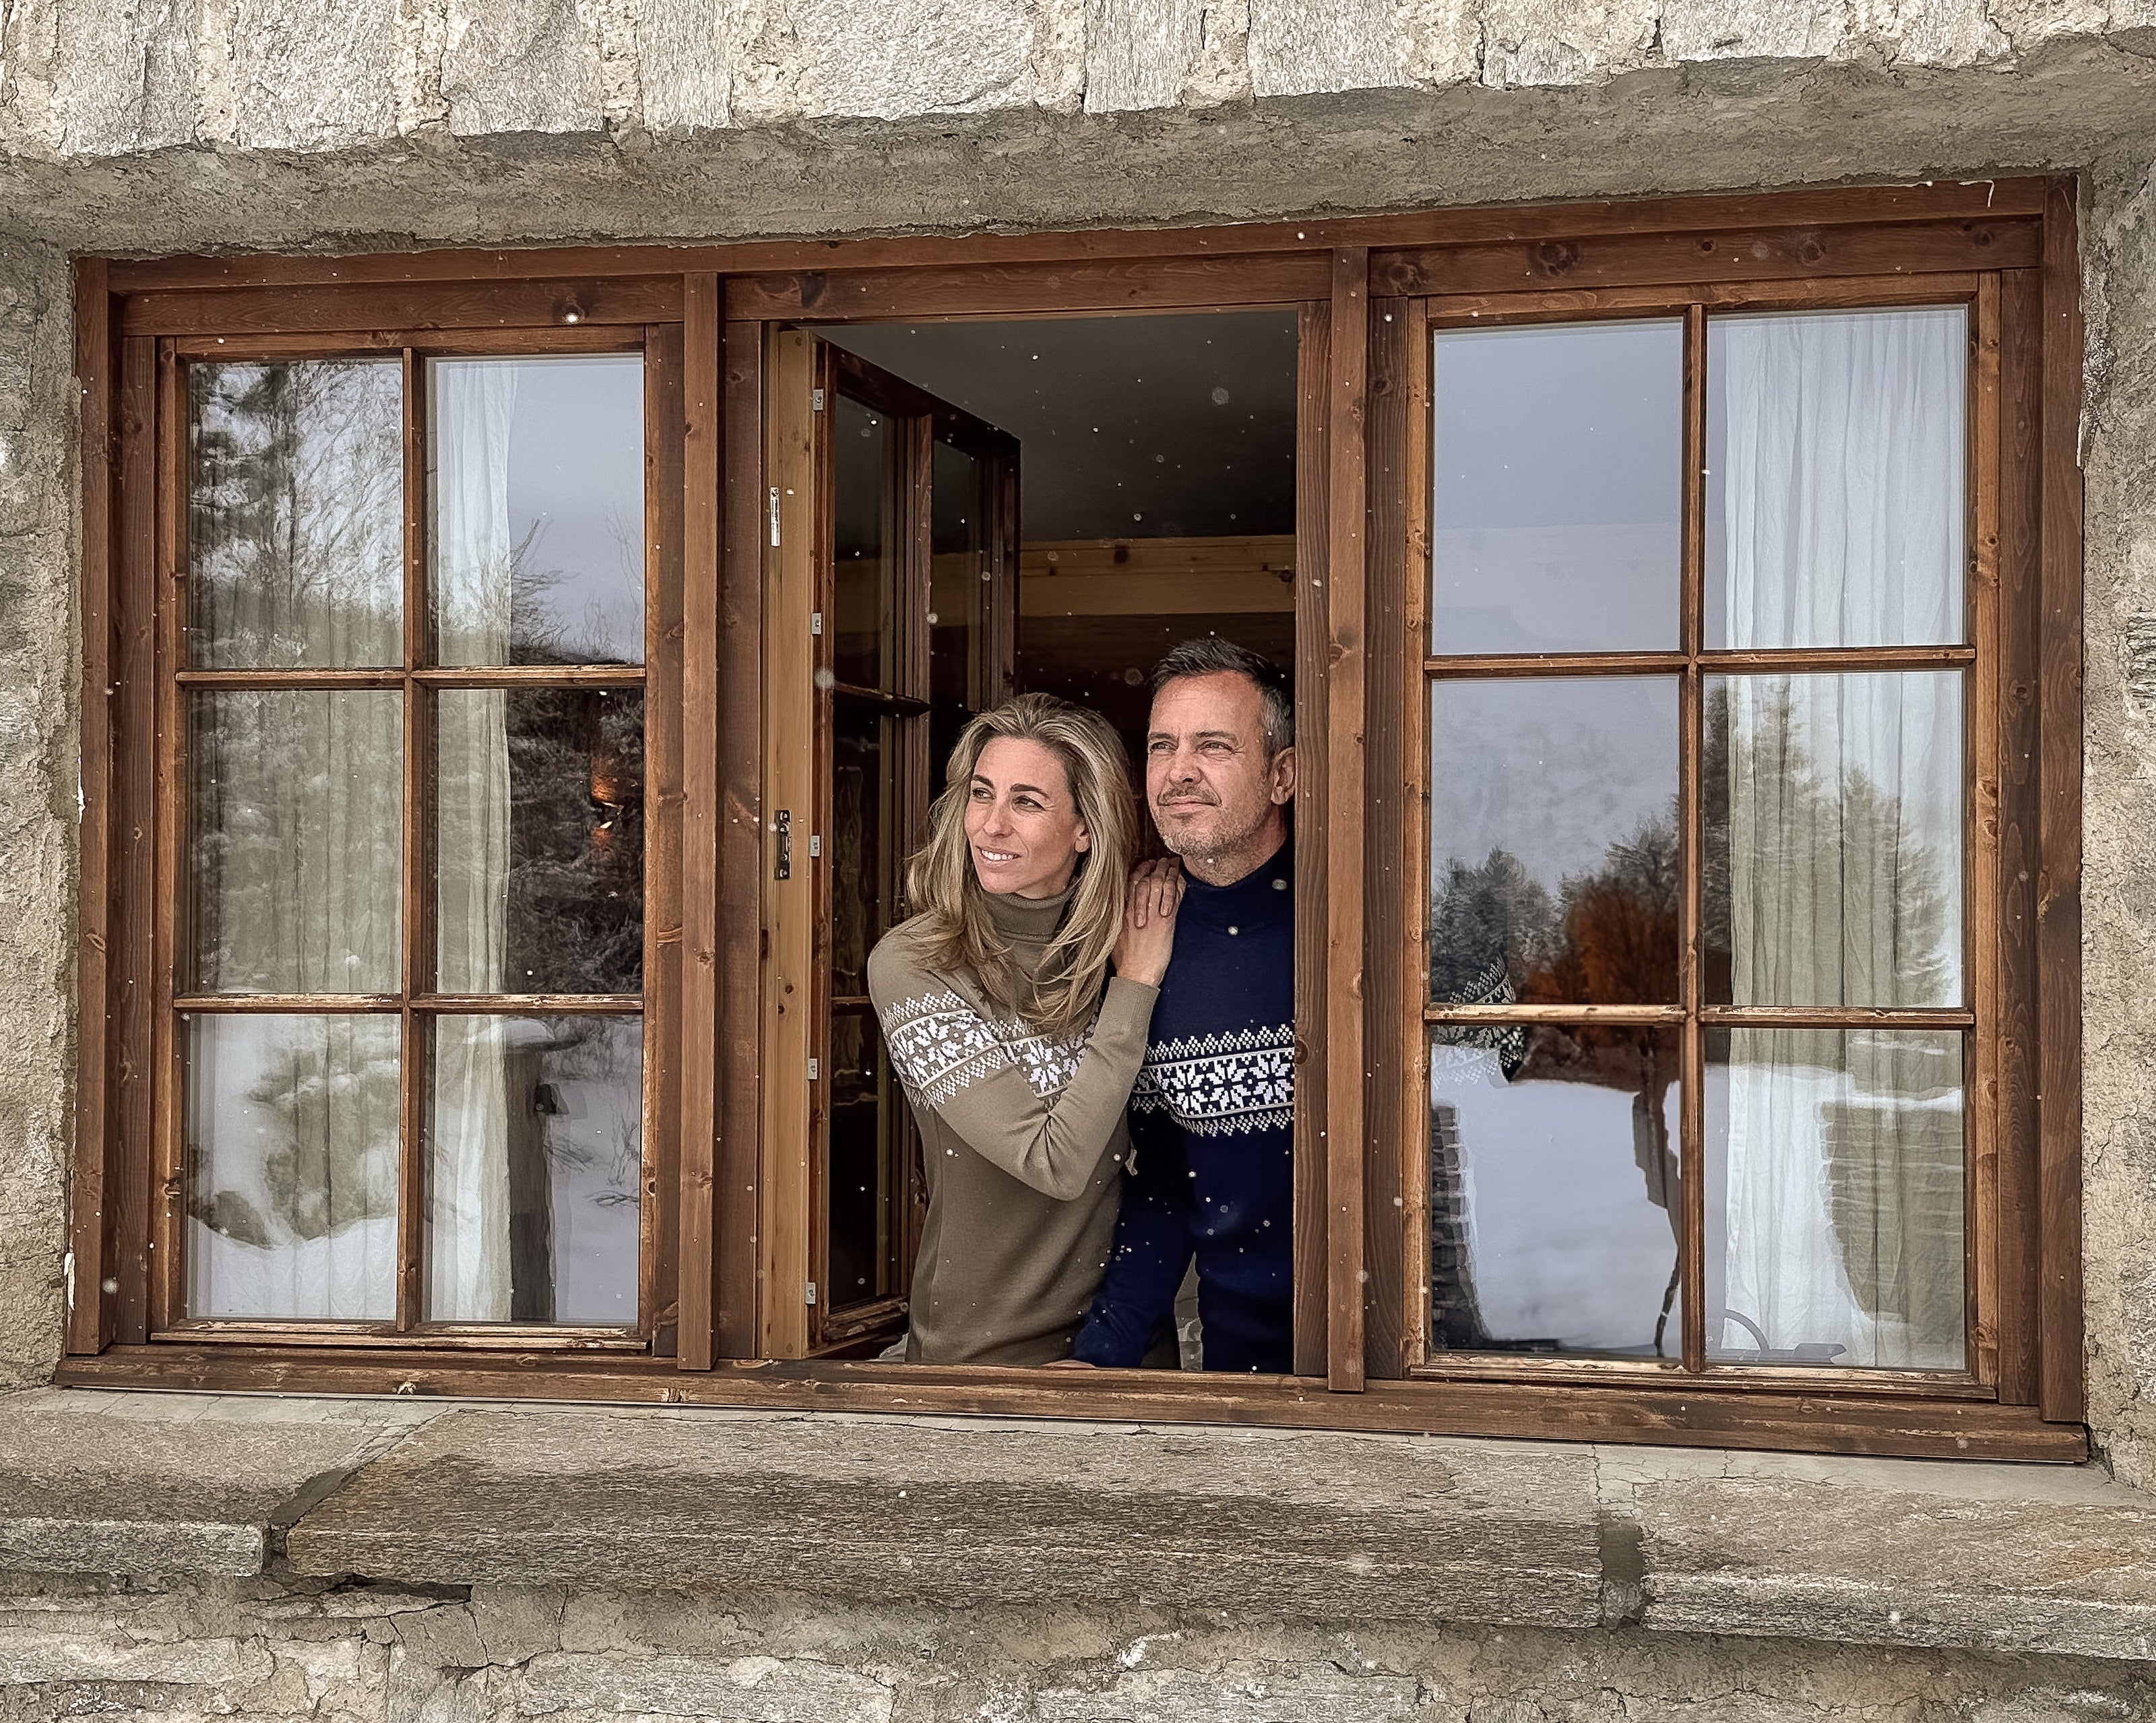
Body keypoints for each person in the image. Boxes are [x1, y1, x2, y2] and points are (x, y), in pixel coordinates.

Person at [867, 693, 1182, 1365]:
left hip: (1122, 1349)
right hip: (981, 1356)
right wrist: (1134, 988)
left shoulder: (1133, 941)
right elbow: (1052, 1163)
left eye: (1027, 802)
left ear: (1085, 829)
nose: (991, 824)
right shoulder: (916, 964)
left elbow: (1174, 1159)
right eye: (981, 793)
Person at [1062, 639, 1298, 1375]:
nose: (1179, 770)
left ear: (1283, 775)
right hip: (1245, 1370)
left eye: (1213, 745)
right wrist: (1102, 1354)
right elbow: (1164, 1181)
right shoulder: (1141, 939)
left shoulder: (1360, 920)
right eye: (1162, 745)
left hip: (1414, 1357)